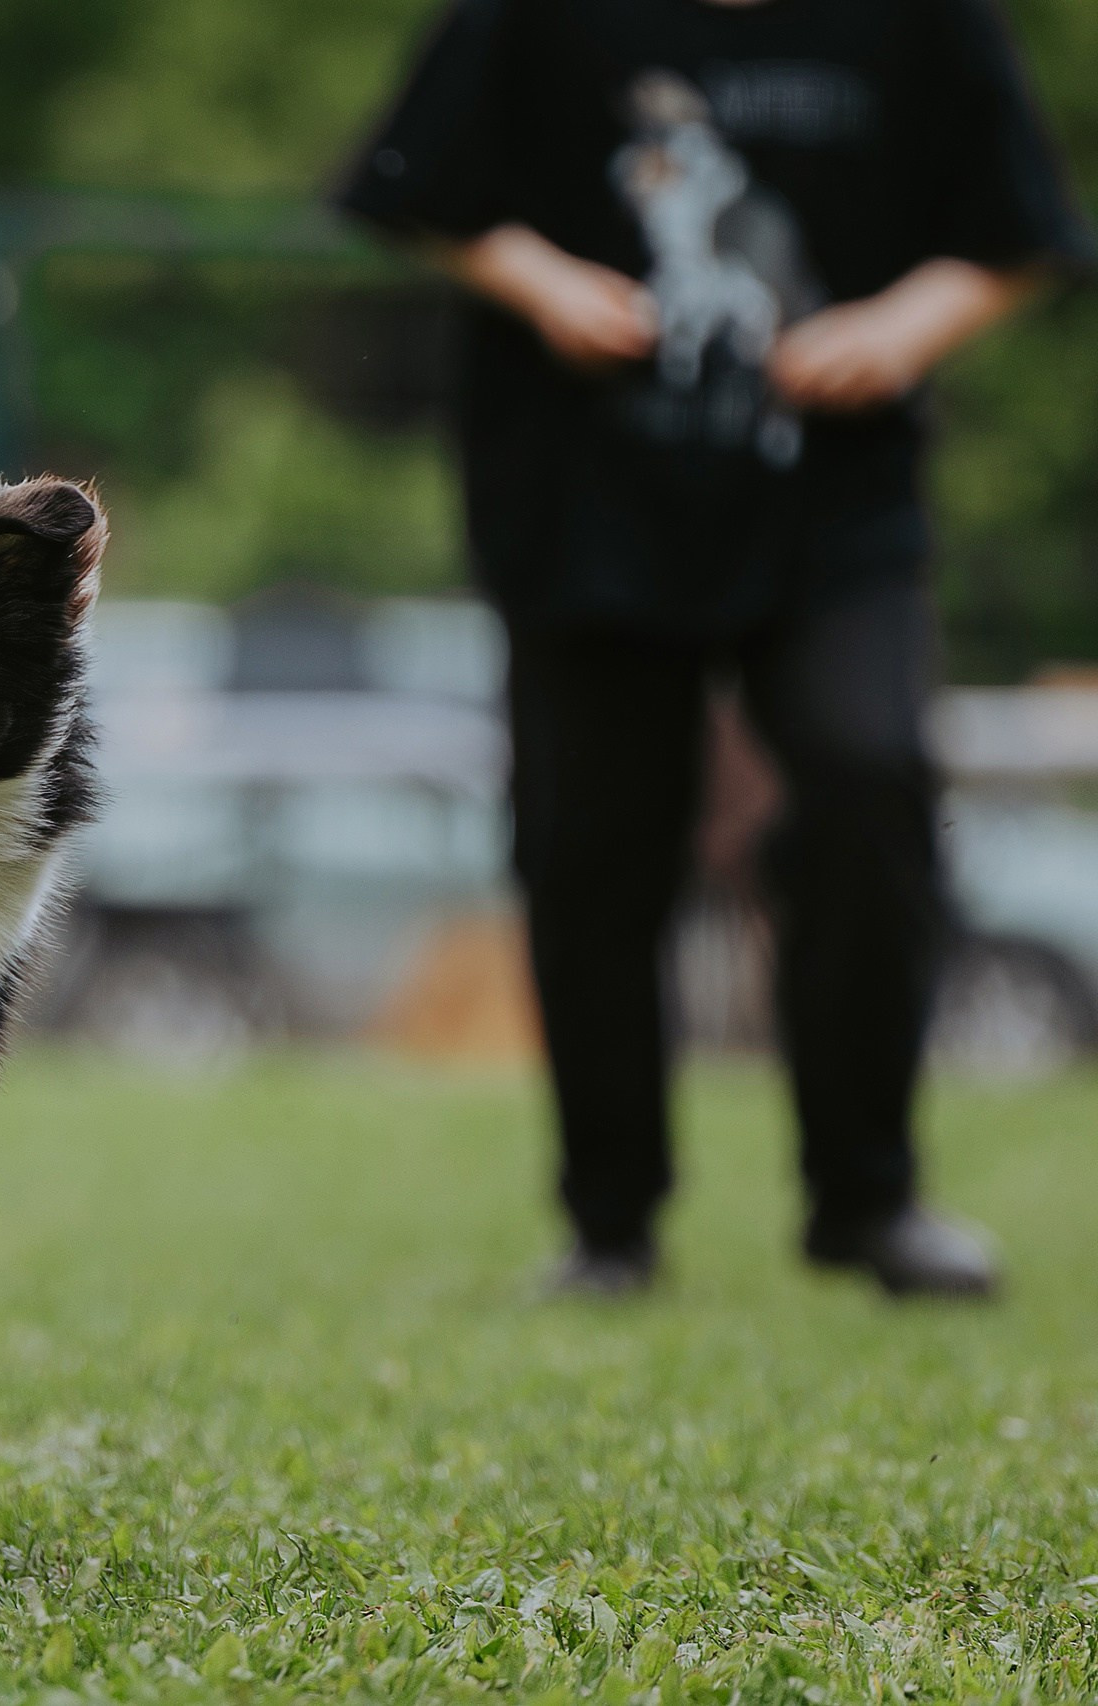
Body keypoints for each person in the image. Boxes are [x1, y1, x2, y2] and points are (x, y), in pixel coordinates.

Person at [337, 0, 1093, 1296]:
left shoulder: (928, 24)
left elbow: (1018, 235)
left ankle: (870, 1199)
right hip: (583, 503)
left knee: (871, 781)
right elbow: (411, 187)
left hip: (834, 503)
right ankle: (610, 1221)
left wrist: (901, 330)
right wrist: (548, 284)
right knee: (594, 846)